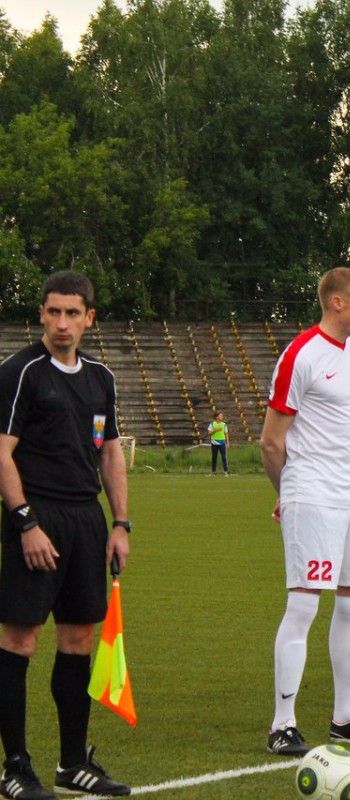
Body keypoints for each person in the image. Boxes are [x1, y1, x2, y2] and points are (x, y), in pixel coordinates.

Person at [261, 267, 350, 756]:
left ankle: (347, 716)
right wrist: (289, 492)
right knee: (304, 605)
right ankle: (282, 724)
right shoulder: (300, 355)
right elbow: (271, 442)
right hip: (312, 488)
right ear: (337, 302)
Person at [0, 271, 131, 798]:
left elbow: (110, 452)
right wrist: (25, 521)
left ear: (89, 318)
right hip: (37, 518)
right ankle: (15, 768)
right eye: (53, 312)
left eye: (72, 313)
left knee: (78, 639)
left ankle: (73, 763)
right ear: (41, 314)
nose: (61, 323)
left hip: (86, 519)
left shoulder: (101, 377)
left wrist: (120, 523)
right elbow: (2, 453)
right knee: (20, 639)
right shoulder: (20, 372)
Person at [207, 411, 229, 476]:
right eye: (220, 415)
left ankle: (225, 471)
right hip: (214, 442)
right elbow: (209, 433)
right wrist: (216, 430)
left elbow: (226, 433)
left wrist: (227, 442)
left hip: (222, 442)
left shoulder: (224, 424)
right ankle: (213, 472)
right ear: (217, 417)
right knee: (214, 457)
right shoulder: (212, 424)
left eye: (222, 415)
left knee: (224, 457)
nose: (222, 417)